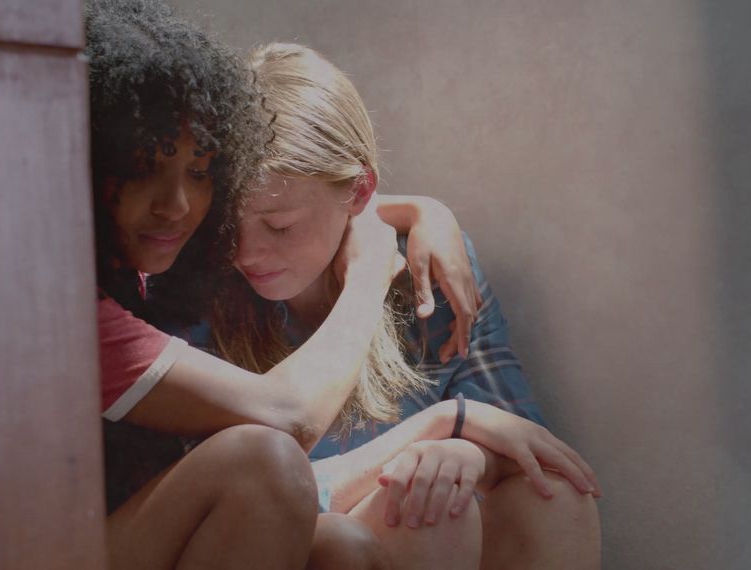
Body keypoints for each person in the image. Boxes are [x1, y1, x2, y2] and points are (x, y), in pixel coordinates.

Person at [0, 2, 484, 569]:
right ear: (85, 164)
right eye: (145, 168)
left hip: (110, 530)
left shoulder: (152, 269)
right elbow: (288, 416)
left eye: (199, 174)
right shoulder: (55, 308)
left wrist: (412, 209)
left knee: (342, 548)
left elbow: (325, 199)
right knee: (265, 462)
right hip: (18, 549)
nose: (175, 205)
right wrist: (370, 269)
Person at [208, 42, 604, 569]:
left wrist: (467, 453)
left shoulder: (429, 270)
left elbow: (518, 434)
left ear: (359, 192)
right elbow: (228, 504)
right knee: (419, 506)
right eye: (228, 224)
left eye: (280, 226)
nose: (246, 252)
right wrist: (435, 430)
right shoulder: (201, 296)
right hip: (283, 543)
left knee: (553, 495)